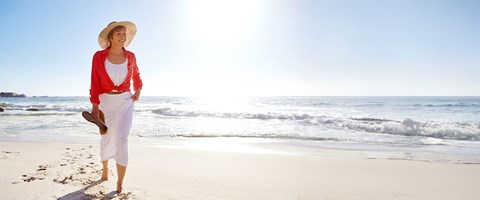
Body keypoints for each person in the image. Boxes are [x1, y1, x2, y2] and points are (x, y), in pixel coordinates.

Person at [88, 21, 143, 193]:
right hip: (105, 102)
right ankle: (105, 169)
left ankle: (120, 182)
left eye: (124, 34)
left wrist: (139, 88)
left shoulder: (131, 56)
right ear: (110, 38)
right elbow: (94, 82)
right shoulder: (98, 57)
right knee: (106, 138)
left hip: (125, 102)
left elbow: (136, 74)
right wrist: (95, 105)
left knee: (121, 138)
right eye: (119, 33)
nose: (123, 36)